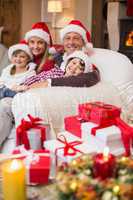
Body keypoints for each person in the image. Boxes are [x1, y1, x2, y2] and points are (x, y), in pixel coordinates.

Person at [2, 50, 93, 96]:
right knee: (5, 90)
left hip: (31, 93)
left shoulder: (67, 82)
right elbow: (38, 77)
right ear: (68, 62)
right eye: (73, 63)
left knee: (5, 93)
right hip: (24, 86)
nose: (74, 67)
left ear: (83, 73)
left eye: (80, 68)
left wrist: (26, 88)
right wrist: (23, 84)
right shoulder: (56, 71)